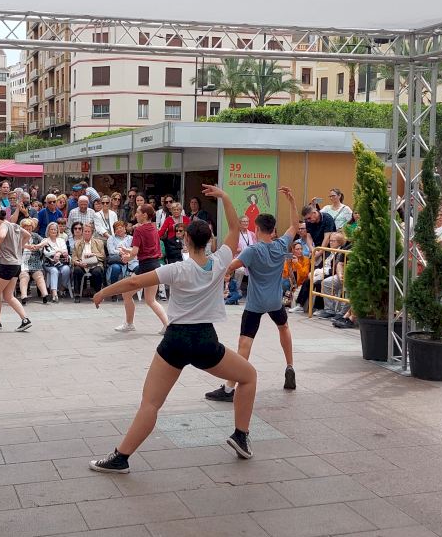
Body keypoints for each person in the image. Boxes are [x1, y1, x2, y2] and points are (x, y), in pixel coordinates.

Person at [89, 185, 258, 472]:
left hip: (176, 340)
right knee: (249, 376)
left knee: (151, 403)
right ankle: (241, 435)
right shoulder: (220, 261)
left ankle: (121, 457)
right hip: (205, 340)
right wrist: (225, 197)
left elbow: (134, 282)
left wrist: (103, 292)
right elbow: (233, 228)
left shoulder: (177, 269)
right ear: (209, 240)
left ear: (186, 239)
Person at [208, 187, 300, 401]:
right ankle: (290, 366)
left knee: (245, 341)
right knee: (284, 328)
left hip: (256, 304)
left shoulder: (252, 250)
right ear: (273, 230)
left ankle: (230, 388)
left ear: (256, 229)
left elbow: (230, 266)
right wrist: (292, 202)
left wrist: (214, 272)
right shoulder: (281, 244)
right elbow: (295, 226)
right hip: (275, 301)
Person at [116, 204, 168, 333]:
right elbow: (144, 250)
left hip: (145, 267)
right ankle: (168, 325)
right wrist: (127, 250)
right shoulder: (154, 228)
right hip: (154, 265)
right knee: (150, 300)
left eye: (138, 212)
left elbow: (135, 252)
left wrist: (127, 257)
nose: (135, 215)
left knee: (126, 293)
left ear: (144, 215)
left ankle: (129, 324)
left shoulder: (139, 230)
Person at [0, 208, 33, 332]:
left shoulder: (4, 225)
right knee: (8, 295)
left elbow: (1, 235)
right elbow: (28, 235)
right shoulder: (14, 225)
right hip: (16, 264)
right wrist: (20, 246)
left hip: (7, 264)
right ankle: (25, 320)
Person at [40, 221, 70, 302]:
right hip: (49, 263)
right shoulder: (45, 240)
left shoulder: (61, 240)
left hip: (61, 262)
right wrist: (59, 251)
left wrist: (58, 253)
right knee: (54, 270)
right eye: (51, 229)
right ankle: (54, 294)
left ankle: (62, 288)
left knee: (66, 269)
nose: (53, 231)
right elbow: (47, 253)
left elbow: (65, 251)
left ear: (57, 231)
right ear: (48, 230)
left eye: (55, 229)